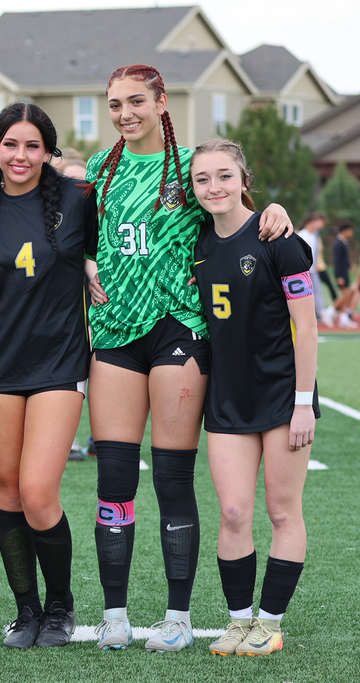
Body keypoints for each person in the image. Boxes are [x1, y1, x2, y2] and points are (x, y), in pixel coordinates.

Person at [84, 64, 292, 652]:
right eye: (115, 104)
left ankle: (177, 619)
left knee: (172, 479)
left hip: (178, 330)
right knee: (114, 480)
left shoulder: (191, 169)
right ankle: (115, 615)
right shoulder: (100, 168)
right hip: (114, 332)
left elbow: (237, 214)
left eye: (136, 101)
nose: (125, 114)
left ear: (161, 102)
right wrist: (84, 262)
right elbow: (73, 230)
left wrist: (275, 209)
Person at [0, 102, 97, 648]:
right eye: (11, 145)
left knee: (38, 491)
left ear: (48, 151)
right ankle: (27, 611)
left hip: (58, 360)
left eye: (33, 146)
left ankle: (61, 606)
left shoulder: (79, 198)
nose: (20, 156)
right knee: (7, 489)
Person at [190, 138, 318, 656]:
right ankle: (239, 621)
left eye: (224, 175)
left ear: (244, 180)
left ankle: (270, 623)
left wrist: (304, 403)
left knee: (282, 511)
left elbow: (307, 329)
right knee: (234, 511)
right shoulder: (195, 240)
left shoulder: (278, 239)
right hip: (228, 397)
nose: (214, 187)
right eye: (202, 178)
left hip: (284, 397)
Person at [333, 222, 358, 328]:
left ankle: (343, 318)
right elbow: (337, 261)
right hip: (341, 274)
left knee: (347, 296)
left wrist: (349, 264)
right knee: (346, 295)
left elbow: (344, 259)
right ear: (345, 230)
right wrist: (339, 276)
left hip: (345, 273)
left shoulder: (344, 242)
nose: (351, 233)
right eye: (350, 230)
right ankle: (330, 311)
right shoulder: (338, 244)